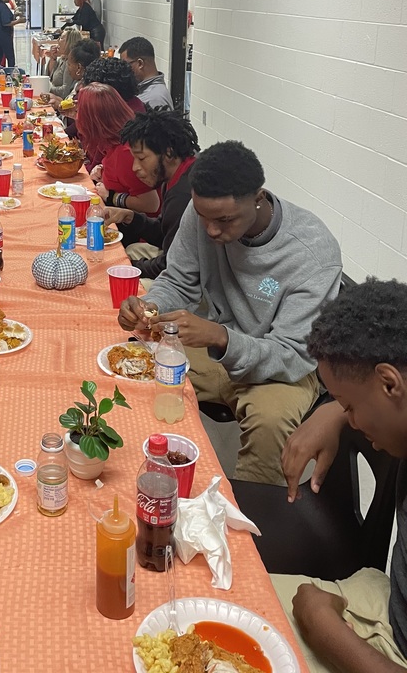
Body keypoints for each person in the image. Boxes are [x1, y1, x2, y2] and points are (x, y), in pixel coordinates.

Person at [118, 140, 342, 485]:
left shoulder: (311, 253)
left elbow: (293, 353)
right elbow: (178, 280)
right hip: (218, 346)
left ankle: (250, 519)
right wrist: (152, 306)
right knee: (132, 360)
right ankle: (134, 468)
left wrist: (220, 337)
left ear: (259, 198)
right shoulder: (202, 213)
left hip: (281, 367)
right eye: (203, 217)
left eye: (224, 220)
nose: (211, 230)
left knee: (270, 423)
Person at [273, 278, 407, 673]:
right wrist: (330, 411)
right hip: (386, 604)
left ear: (389, 383)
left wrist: (324, 629)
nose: (349, 419)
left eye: (349, 405)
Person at [102, 110, 199, 283]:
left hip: (194, 281)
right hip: (179, 260)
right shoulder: (177, 173)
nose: (134, 168)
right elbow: (165, 233)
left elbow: (172, 265)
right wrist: (130, 217)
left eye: (141, 158)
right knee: (131, 250)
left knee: (128, 282)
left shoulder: (183, 195)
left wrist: (130, 267)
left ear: (168, 153)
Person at [77, 83, 160, 216]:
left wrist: (112, 196)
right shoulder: (115, 142)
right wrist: (103, 171)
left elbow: (151, 204)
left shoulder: (125, 153)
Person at [119, 36, 173, 110]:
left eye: (126, 65)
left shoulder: (155, 100)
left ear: (140, 63)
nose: (124, 69)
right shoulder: (146, 92)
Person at [47, 27, 82, 99]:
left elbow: (65, 91)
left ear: (70, 42)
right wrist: (53, 58)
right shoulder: (62, 59)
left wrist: (46, 87)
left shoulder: (71, 64)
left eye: (61, 38)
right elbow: (48, 77)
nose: (58, 41)